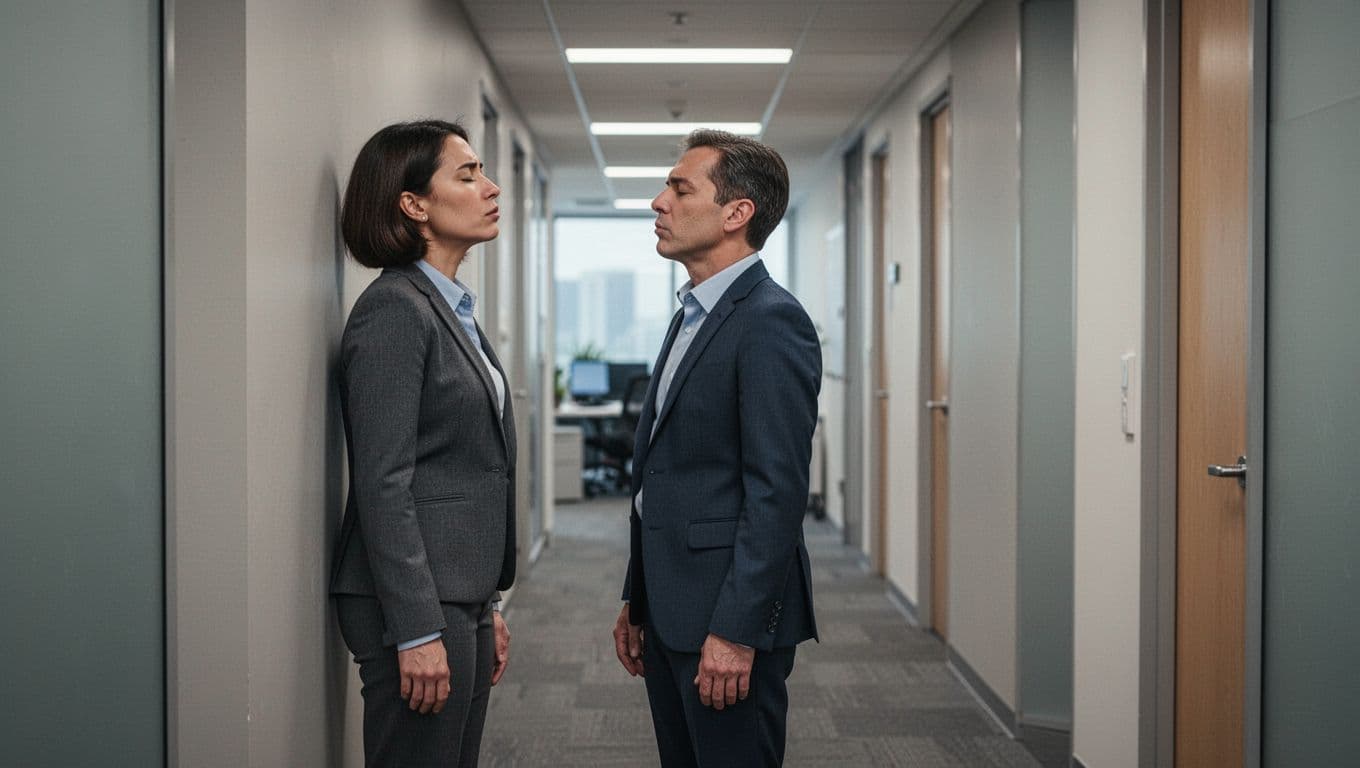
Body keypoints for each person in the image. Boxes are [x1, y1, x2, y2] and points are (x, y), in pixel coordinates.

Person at [612, 129, 822, 767]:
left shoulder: (769, 320)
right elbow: (666, 470)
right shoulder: (690, 314)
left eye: (679, 188)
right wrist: (636, 596)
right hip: (670, 603)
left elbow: (776, 491)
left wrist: (736, 630)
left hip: (725, 616)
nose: (658, 202)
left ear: (737, 214)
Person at [330, 119, 515, 768]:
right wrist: (415, 627)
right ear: (414, 204)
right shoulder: (395, 311)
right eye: (467, 175)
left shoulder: (449, 307)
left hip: (454, 586)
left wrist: (485, 602)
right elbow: (384, 482)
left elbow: (465, 468)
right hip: (408, 598)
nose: (490, 188)